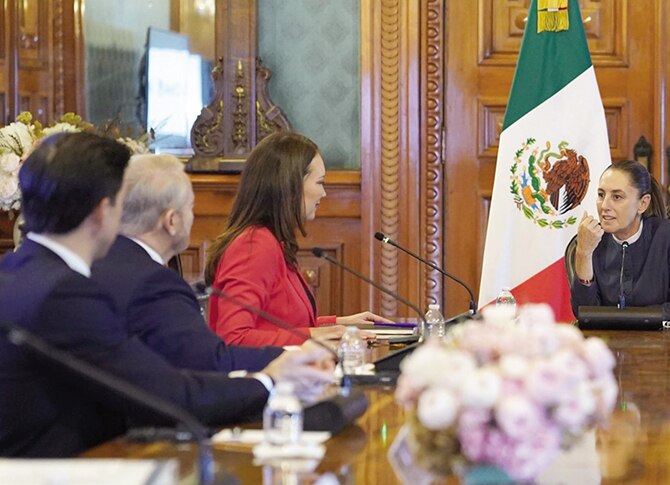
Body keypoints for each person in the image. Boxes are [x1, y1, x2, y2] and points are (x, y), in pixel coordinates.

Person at [0, 133, 334, 457]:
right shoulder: (66, 294)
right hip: (53, 483)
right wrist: (271, 381)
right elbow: (168, 394)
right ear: (104, 212)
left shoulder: (15, 272)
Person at [91, 154, 285, 373]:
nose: (192, 217)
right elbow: (209, 362)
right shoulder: (154, 284)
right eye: (190, 207)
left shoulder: (95, 261)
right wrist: (292, 357)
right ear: (171, 220)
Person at [204, 132, 388, 347]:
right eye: (319, 183)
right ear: (290, 186)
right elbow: (233, 338)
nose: (324, 194)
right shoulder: (254, 245)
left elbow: (279, 326)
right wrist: (315, 336)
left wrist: (338, 325)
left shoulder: (272, 241)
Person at [569, 159, 670, 320]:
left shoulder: (667, 235)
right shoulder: (592, 238)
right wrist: (584, 253)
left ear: (642, 204)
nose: (604, 206)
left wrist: (620, 319)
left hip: (658, 343)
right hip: (606, 343)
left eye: (617, 197)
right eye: (601, 195)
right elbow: (584, 314)